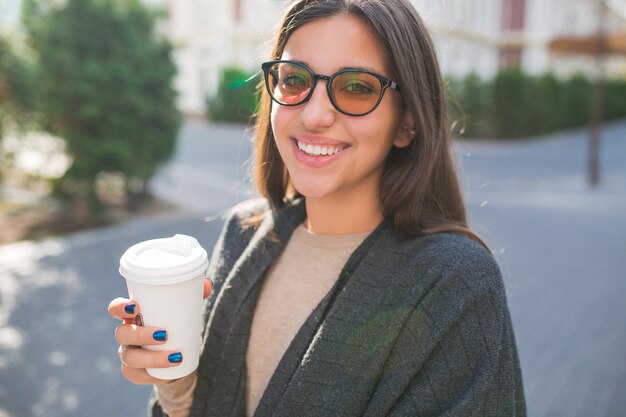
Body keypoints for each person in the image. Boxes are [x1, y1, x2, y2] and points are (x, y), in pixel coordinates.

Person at [108, 0, 526, 416]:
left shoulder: (455, 283)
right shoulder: (243, 233)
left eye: (357, 87)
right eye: (294, 80)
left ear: (407, 123)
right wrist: (176, 384)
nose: (314, 114)